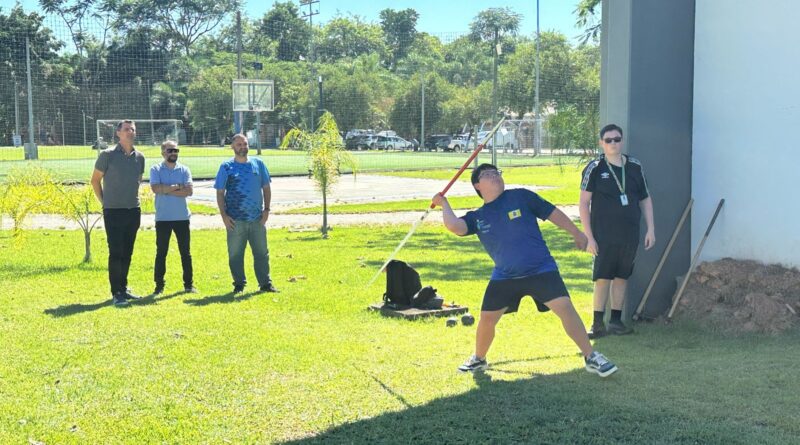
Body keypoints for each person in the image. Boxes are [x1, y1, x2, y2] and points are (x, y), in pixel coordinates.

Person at [432, 163, 618, 377]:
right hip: (505, 276)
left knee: (566, 308)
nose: (495, 175)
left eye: (497, 172)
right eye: (487, 174)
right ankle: (479, 359)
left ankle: (591, 356)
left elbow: (553, 213)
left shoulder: (521, 197)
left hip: (541, 269)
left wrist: (576, 233)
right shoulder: (478, 216)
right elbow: (455, 226)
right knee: (487, 319)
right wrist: (443, 203)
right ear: (477, 185)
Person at [579, 124, 655, 338]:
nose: (614, 143)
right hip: (603, 235)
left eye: (617, 139)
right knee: (603, 277)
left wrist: (651, 228)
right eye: (609, 140)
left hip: (629, 233)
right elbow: (584, 203)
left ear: (622, 140)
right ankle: (597, 323)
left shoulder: (634, 166)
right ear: (601, 143)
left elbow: (645, 198)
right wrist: (589, 237)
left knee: (622, 276)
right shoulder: (595, 167)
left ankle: (615, 321)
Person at [214, 134, 279, 294]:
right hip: (235, 220)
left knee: (262, 253)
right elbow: (220, 192)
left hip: (257, 219)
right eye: (238, 144)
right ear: (232, 147)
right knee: (235, 254)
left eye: (244, 144)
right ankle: (239, 284)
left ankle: (265, 284)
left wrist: (267, 210)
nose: (242, 147)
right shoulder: (226, 167)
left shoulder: (258, 164)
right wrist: (224, 215)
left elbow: (266, 188)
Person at [90, 119, 145, 306]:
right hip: (113, 211)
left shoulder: (140, 157)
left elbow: (137, 180)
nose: (130, 132)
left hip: (133, 210)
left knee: (128, 251)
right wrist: (105, 203)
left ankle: (124, 287)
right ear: (118, 133)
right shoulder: (107, 155)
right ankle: (116, 293)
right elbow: (95, 180)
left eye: (133, 129)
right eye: (127, 129)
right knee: (116, 252)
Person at [150, 140, 196, 295]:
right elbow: (155, 188)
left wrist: (166, 189)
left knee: (186, 252)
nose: (174, 153)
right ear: (163, 152)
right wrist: (177, 186)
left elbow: (189, 191)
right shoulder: (155, 169)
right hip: (163, 218)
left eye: (176, 150)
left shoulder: (184, 169)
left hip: (182, 217)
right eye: (170, 150)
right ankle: (159, 286)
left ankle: (189, 285)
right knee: (161, 252)